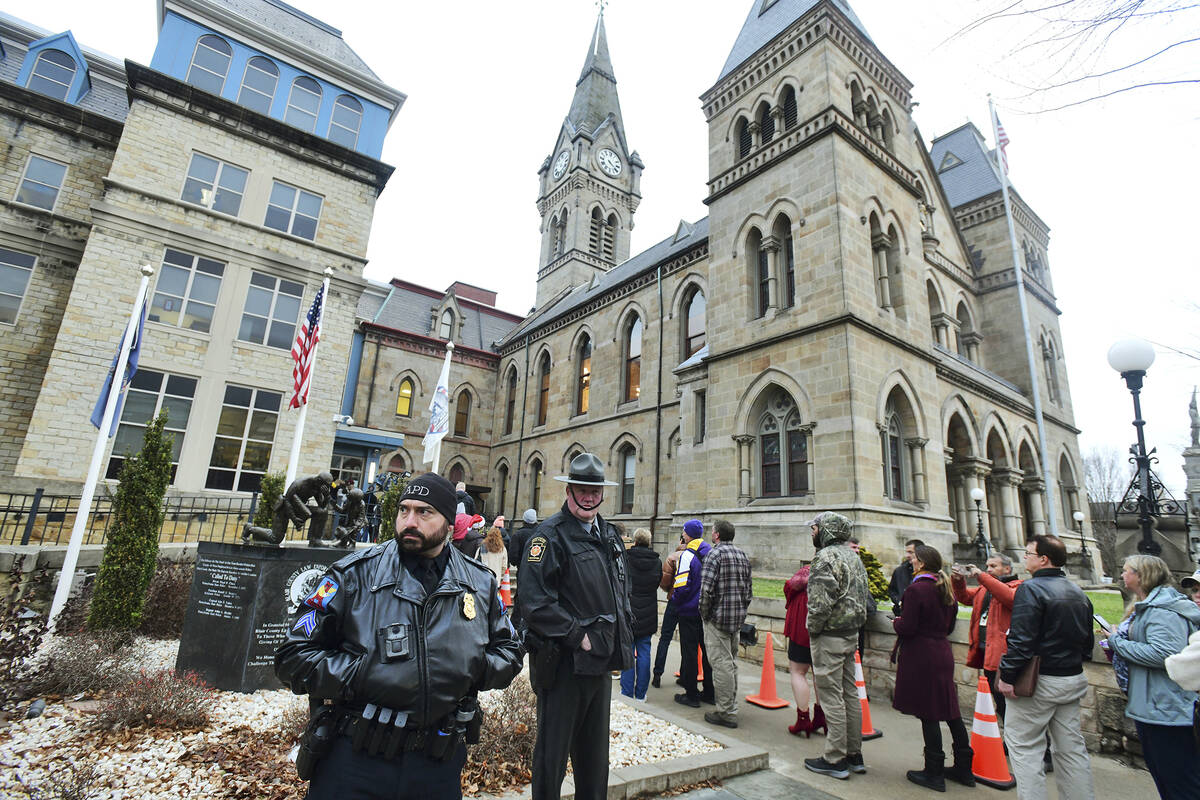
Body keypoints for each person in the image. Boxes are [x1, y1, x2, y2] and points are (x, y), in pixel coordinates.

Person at [274, 473, 523, 800]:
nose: (409, 521)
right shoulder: (352, 575)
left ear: (449, 523)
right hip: (356, 760)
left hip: (437, 764)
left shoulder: (479, 583)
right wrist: (365, 672)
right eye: (404, 510)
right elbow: (293, 657)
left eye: (424, 512)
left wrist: (469, 667)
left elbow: (510, 651)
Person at [516, 452, 634, 800]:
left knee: (595, 760)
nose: (588, 495)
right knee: (552, 759)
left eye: (594, 488)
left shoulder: (610, 535)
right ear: (569, 490)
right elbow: (534, 602)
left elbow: (619, 589)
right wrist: (577, 636)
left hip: (600, 663)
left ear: (602, 493)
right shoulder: (548, 536)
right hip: (564, 666)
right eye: (581, 488)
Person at [997, 535, 1095, 800]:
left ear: (1043, 559)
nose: (1025, 557)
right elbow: (1087, 642)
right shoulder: (1077, 591)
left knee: (1025, 748)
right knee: (1071, 749)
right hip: (1071, 678)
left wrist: (1007, 676)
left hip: (1039, 681)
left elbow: (1021, 640)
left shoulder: (1031, 589)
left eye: (1029, 553)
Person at [1105, 555, 1200, 798]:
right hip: (1152, 706)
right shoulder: (1148, 605)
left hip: (1166, 708)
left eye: (1127, 570)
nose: (1122, 575)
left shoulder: (1162, 611)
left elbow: (1164, 654)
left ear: (1141, 575)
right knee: (1167, 778)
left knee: (1179, 781)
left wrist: (1117, 643)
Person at [894, 544, 975, 791]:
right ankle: (964, 768)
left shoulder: (917, 589)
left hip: (922, 655)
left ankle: (934, 772)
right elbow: (949, 627)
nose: (911, 562)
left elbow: (907, 627)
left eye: (914, 559)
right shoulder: (945, 588)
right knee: (950, 710)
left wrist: (897, 621)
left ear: (921, 563)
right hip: (941, 651)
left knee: (928, 712)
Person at [803, 512, 871, 781]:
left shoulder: (826, 557)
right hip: (851, 633)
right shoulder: (853, 556)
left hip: (829, 635)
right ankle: (854, 754)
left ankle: (835, 758)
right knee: (849, 693)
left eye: (815, 528)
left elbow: (820, 602)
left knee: (831, 696)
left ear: (827, 531)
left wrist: (813, 628)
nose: (812, 532)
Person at [951, 554, 1021, 719]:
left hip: (1005, 659)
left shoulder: (1018, 587)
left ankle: (1019, 743)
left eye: (993, 566)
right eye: (987, 566)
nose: (988, 570)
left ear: (1007, 569)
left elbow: (1008, 597)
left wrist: (981, 576)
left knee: (1012, 708)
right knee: (1001, 705)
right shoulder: (984, 588)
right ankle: (1010, 742)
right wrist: (958, 580)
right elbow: (965, 597)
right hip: (987, 656)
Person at [698, 520, 752, 729]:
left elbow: (706, 591)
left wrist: (705, 615)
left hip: (718, 620)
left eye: (712, 531)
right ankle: (730, 705)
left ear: (717, 535)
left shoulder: (715, 554)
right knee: (730, 664)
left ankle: (727, 712)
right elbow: (748, 591)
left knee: (721, 665)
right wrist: (741, 612)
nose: (711, 534)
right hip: (736, 619)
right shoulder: (742, 555)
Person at [672, 518, 714, 708]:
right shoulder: (711, 552)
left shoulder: (687, 556)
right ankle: (710, 692)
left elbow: (681, 587)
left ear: (687, 534)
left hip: (689, 611)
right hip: (707, 612)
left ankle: (691, 694)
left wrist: (676, 603)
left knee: (689, 653)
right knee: (707, 653)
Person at [621, 528, 662, 701]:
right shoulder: (657, 562)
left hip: (630, 609)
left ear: (635, 541)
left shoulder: (627, 559)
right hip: (648, 609)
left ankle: (627, 692)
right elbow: (657, 582)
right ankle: (641, 693)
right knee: (644, 652)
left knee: (628, 652)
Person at [784, 562, 823, 737]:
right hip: (827, 630)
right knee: (820, 674)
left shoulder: (805, 573)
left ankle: (803, 719)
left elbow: (789, 588)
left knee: (798, 672)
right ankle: (822, 717)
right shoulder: (841, 570)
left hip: (802, 627)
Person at [651, 533, 688, 688]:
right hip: (690, 604)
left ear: (681, 540)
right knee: (687, 643)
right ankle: (686, 676)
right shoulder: (698, 556)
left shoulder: (673, 557)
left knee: (665, 638)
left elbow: (665, 581)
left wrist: (669, 590)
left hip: (674, 601)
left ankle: (657, 675)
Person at [888, 538, 922, 616]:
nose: (907, 556)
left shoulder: (930, 573)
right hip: (901, 614)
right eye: (906, 552)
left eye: (910, 552)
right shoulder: (899, 571)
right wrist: (899, 601)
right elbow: (892, 590)